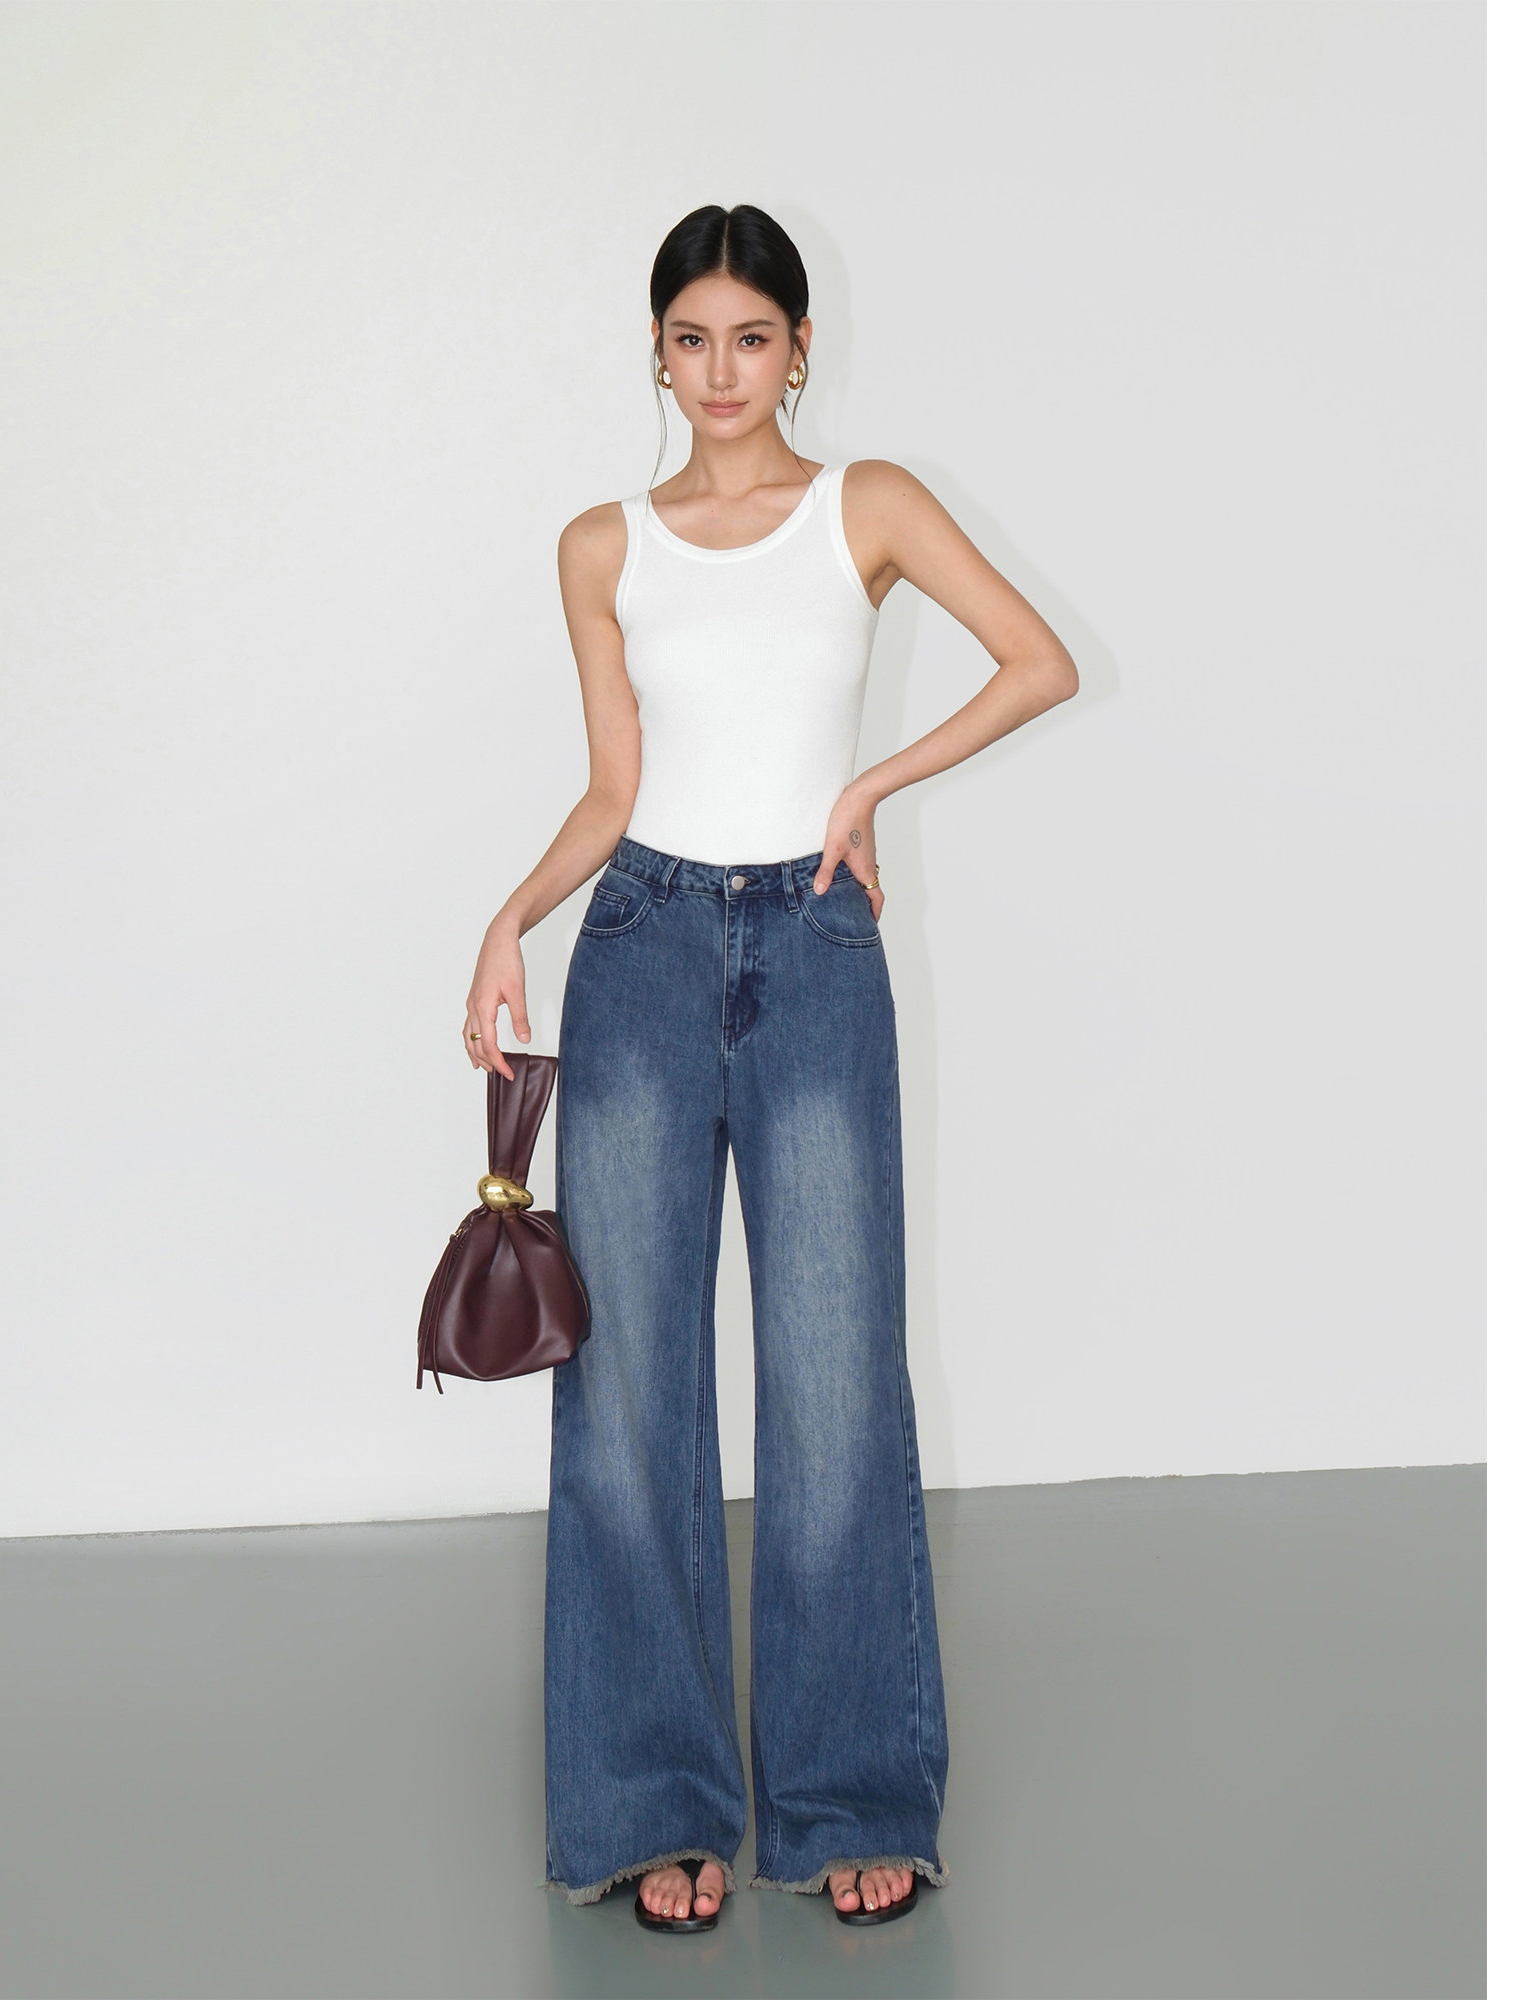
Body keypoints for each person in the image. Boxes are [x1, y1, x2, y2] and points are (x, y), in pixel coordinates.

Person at [461, 204, 1079, 1931]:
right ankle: (653, 1801)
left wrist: (869, 786)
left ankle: (850, 1792)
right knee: (628, 1388)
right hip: (643, 947)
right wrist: (513, 917)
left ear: (800, 349)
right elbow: (613, 786)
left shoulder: (864, 506)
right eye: (691, 338)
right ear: (657, 351)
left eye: (751, 337)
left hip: (812, 954)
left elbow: (1038, 662)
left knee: (835, 1382)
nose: (720, 371)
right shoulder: (602, 546)